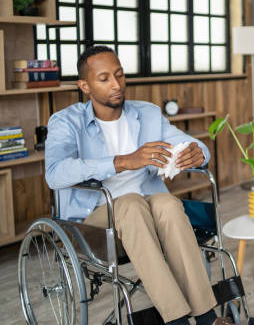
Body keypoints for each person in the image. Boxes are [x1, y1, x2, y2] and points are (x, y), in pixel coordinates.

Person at [45, 46, 233, 325]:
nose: (116, 85)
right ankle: (178, 320)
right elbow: (55, 174)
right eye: (105, 78)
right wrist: (122, 161)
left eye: (120, 75)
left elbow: (191, 143)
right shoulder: (65, 122)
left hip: (150, 210)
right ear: (85, 86)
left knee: (168, 202)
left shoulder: (147, 113)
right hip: (94, 220)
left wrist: (196, 152)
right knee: (131, 203)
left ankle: (207, 318)